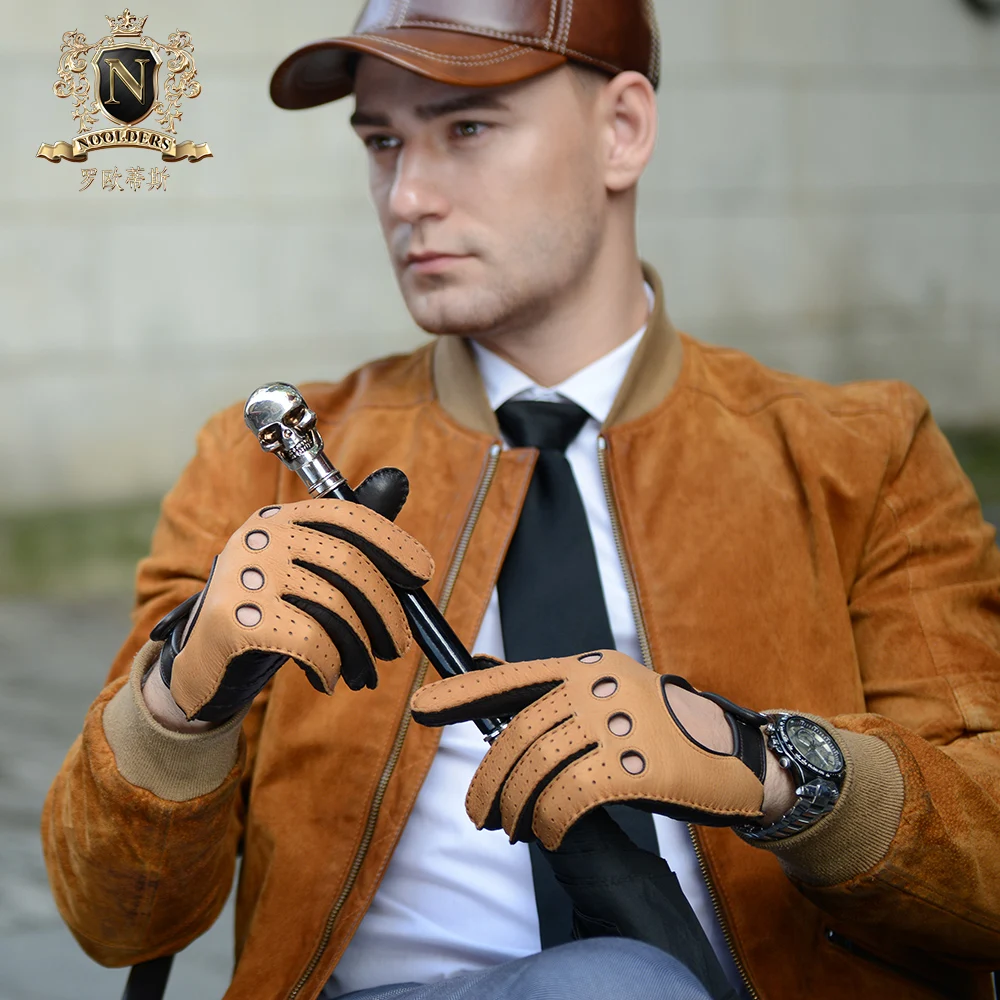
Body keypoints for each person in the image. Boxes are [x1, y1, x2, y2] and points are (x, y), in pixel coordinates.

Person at [43, 2, 1000, 999]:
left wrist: (768, 766)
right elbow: (112, 920)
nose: (407, 195)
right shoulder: (263, 472)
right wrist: (182, 700)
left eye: (466, 128)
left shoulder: (860, 456)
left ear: (622, 129)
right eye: (381, 142)